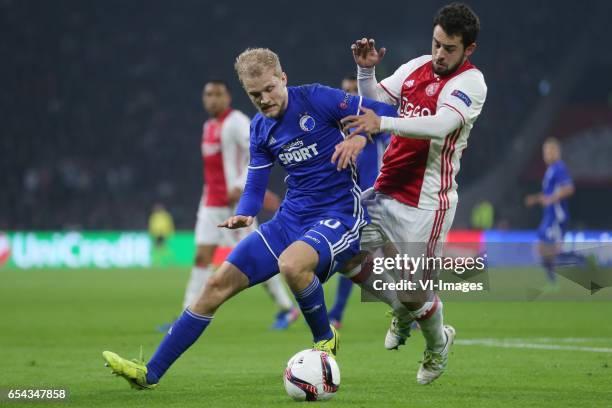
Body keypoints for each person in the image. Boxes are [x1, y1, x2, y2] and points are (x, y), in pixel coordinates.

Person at [103, 48, 396, 389]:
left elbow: (386, 111)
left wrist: (361, 135)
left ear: (283, 78)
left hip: (339, 213)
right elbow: (255, 183)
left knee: (293, 265)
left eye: (270, 89)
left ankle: (325, 339)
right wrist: (244, 212)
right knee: (215, 285)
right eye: (255, 95)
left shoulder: (317, 98)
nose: (264, 99)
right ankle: (149, 373)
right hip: (290, 220)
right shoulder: (260, 128)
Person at [334, 2, 487, 384]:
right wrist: (365, 70)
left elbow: (440, 125)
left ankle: (437, 347)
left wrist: (382, 124)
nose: (438, 54)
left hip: (427, 202)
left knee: (415, 292)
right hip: (385, 190)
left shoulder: (471, 82)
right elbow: (375, 100)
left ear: (468, 50)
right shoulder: (417, 66)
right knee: (342, 250)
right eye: (436, 43)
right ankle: (402, 311)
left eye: (448, 48)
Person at [178, 80, 298, 331]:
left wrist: (241, 184)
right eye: (208, 94)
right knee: (202, 256)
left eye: (217, 94)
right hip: (210, 203)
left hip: (236, 206)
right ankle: (187, 313)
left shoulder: (237, 122)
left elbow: (258, 151)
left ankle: (287, 309)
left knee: (255, 256)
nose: (212, 99)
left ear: (227, 98)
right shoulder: (209, 126)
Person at [327, 75, 390, 329]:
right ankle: (337, 313)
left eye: (354, 91)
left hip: (376, 199)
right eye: (345, 92)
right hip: (350, 200)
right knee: (353, 255)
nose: (349, 96)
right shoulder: (335, 130)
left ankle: (418, 306)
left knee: (378, 255)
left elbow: (393, 145)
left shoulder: (375, 127)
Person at [525, 137, 575, 284]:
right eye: (545, 151)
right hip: (549, 215)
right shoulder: (551, 170)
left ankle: (575, 266)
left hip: (556, 216)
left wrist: (553, 198)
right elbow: (548, 194)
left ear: (557, 152)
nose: (547, 154)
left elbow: (569, 188)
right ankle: (553, 279)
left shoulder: (559, 168)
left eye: (551, 151)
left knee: (545, 248)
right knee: (542, 248)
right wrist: (534, 199)